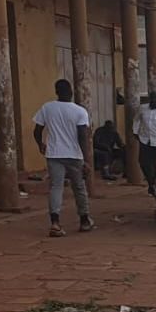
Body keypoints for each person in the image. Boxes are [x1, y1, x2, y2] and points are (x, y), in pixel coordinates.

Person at [32, 79, 93, 237]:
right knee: (79, 187)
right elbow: (82, 136)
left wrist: (40, 144)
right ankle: (85, 220)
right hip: (74, 154)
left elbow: (37, 130)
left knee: (56, 187)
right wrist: (86, 159)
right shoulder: (80, 111)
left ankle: (55, 222)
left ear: (56, 92)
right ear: (71, 92)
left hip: (54, 154)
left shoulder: (47, 108)